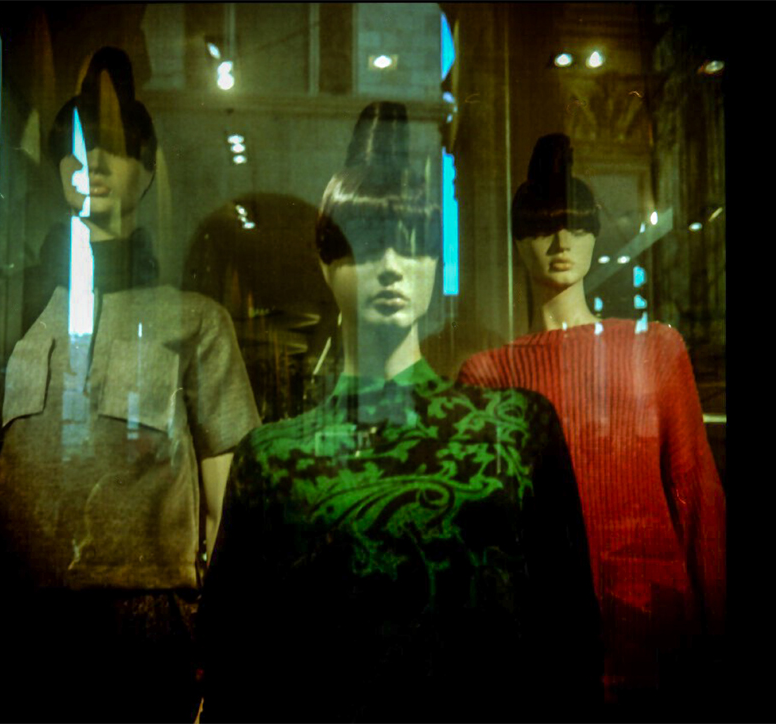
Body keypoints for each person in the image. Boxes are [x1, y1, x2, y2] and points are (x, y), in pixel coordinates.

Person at [198, 108, 603, 723]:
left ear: (435, 262)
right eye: (365, 241)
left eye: (411, 241)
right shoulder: (273, 459)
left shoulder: (518, 429)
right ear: (326, 263)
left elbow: (571, 641)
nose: (390, 264)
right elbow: (237, 668)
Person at [0, 47, 260, 723]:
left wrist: (214, 644)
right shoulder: (12, 314)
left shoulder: (196, 323)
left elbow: (228, 512)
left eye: (116, 148)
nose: (95, 162)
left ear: (146, 171)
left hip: (148, 628)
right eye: (79, 149)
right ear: (58, 170)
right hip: (15, 625)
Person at [457, 133, 726, 712]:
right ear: (518, 241)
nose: (561, 243)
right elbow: (486, 540)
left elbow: (698, 500)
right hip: (548, 643)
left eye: (576, 226)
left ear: (595, 235)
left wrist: (720, 638)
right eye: (543, 228)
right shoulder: (487, 373)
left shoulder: (656, 349)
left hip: (658, 629)